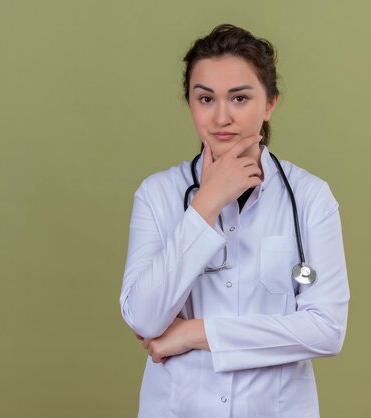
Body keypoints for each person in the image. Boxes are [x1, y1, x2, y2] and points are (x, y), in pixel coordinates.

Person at [120, 24, 350, 418]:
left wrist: (196, 334)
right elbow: (143, 316)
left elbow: (327, 330)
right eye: (205, 98)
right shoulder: (157, 195)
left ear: (270, 103)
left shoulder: (310, 198)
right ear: (190, 103)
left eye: (240, 98)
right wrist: (205, 206)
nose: (221, 117)